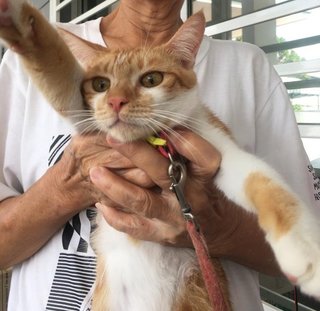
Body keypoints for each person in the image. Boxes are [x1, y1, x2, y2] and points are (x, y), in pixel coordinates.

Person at [0, 0, 318, 310]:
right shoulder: (26, 65)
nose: (118, 101)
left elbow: (305, 247)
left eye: (150, 79)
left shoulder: (248, 66)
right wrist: (71, 184)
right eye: (100, 84)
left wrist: (220, 228)